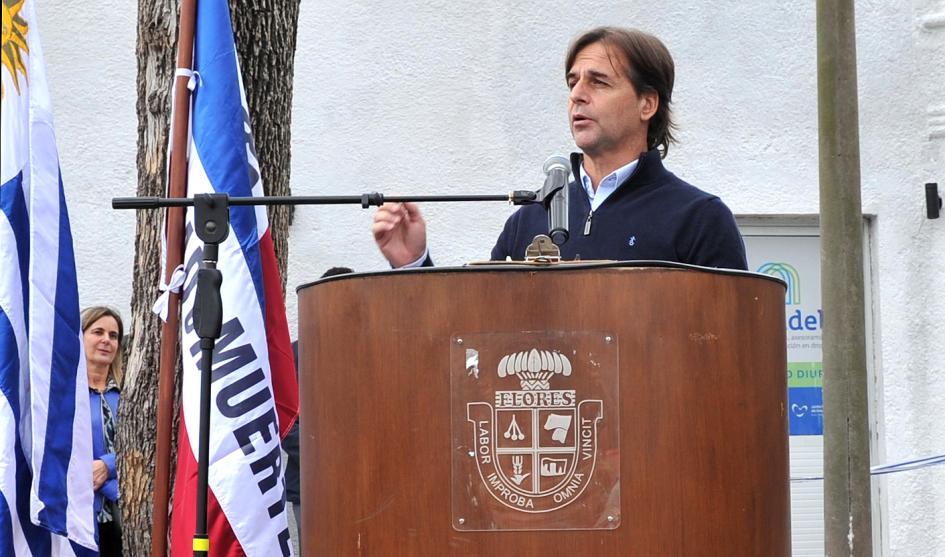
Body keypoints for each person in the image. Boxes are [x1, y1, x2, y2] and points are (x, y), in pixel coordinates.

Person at [372, 27, 747, 271]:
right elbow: (478, 331)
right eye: (573, 82)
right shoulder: (529, 220)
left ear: (646, 105)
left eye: (598, 82)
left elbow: (730, 345)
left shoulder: (698, 218)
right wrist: (414, 264)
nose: (577, 95)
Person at [284, 266, 355, 550]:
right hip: (308, 486)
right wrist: (327, 451)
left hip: (361, 483)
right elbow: (284, 423)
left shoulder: (372, 351)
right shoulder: (293, 356)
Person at [81, 306, 124, 556]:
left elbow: (144, 448)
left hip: (124, 515)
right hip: (80, 513)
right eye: (98, 332)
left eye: (113, 335)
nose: (106, 340)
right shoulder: (66, 397)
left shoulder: (128, 395)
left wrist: (108, 465)